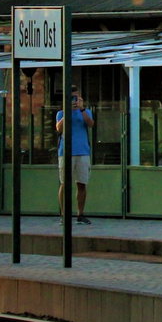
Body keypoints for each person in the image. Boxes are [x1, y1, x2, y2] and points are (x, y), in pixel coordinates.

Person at [56, 89, 94, 225]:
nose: (74, 101)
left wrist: (82, 109)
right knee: (64, 183)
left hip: (82, 152)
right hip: (66, 152)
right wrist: (67, 112)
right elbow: (58, 128)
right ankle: (64, 215)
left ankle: (80, 214)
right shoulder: (61, 113)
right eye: (72, 98)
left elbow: (90, 124)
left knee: (82, 183)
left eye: (76, 98)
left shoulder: (85, 112)